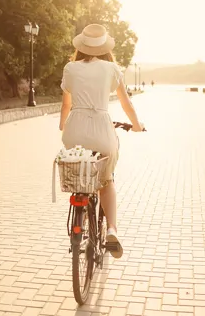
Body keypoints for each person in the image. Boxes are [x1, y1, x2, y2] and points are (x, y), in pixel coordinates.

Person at [59, 24, 144, 259]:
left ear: (81, 47)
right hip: (101, 129)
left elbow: (66, 105)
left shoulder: (70, 68)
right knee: (106, 180)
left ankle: (80, 216)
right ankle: (112, 230)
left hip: (74, 131)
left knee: (80, 174)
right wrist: (136, 125)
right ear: (105, 47)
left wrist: (62, 125)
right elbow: (126, 103)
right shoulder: (112, 69)